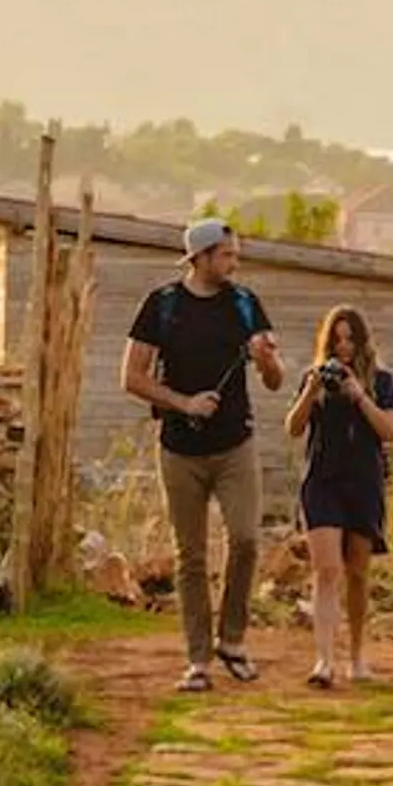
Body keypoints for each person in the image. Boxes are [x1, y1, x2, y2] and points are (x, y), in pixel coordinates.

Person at [120, 218, 285, 692]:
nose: (234, 263)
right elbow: (131, 376)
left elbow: (274, 380)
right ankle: (198, 661)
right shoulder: (163, 305)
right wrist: (183, 402)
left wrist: (266, 357)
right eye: (227, 255)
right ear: (201, 257)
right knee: (189, 557)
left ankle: (232, 640)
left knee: (247, 540)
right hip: (179, 449)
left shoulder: (245, 304)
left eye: (236, 255)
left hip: (236, 444)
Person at [284, 304, 393, 688]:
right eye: (336, 339)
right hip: (323, 481)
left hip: (363, 483)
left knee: (358, 573)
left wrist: (359, 395)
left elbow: (389, 432)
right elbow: (293, 428)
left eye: (350, 338)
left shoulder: (381, 381)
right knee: (327, 569)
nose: (343, 346)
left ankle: (357, 656)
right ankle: (323, 660)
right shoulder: (315, 379)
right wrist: (312, 391)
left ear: (362, 341)